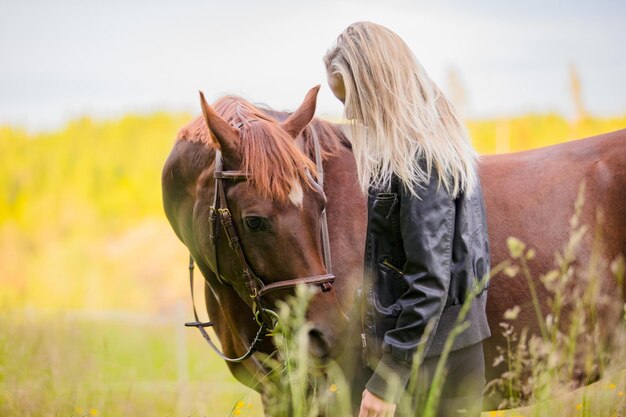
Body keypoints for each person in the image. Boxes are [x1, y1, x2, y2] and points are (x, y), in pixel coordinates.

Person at [323, 22, 491, 417]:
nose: (349, 113)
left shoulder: (421, 160)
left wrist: (387, 381)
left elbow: (430, 282)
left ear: (377, 88)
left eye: (352, 99)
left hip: (434, 369)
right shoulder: (428, 147)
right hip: (432, 356)